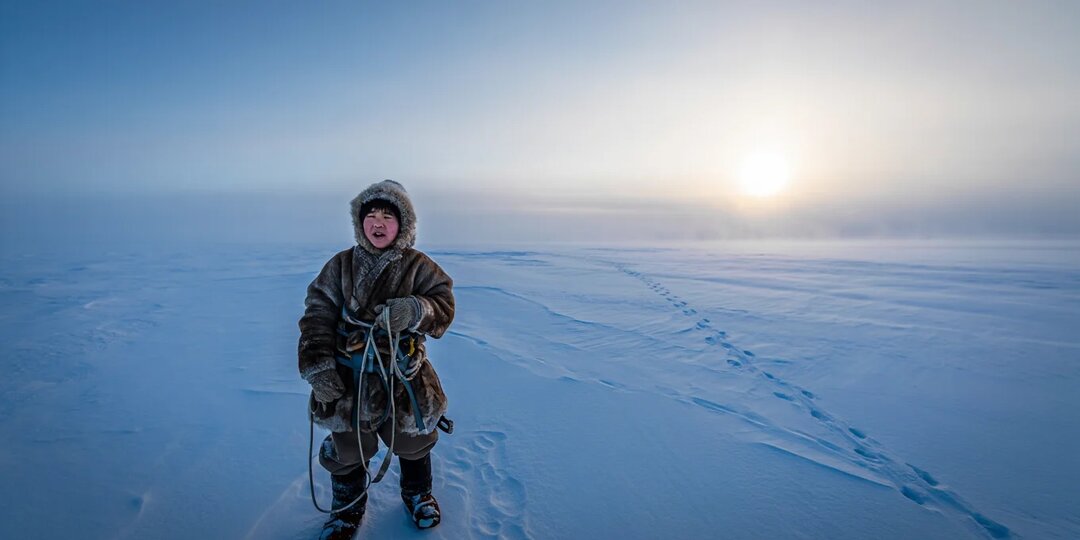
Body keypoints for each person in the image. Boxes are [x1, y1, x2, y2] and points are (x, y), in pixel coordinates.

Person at [298, 180, 455, 539]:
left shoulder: (419, 266)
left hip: (403, 376)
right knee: (347, 448)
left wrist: (418, 310)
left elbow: (444, 306)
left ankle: (417, 494)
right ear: (360, 222)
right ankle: (346, 512)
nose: (378, 222)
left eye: (388, 215)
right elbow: (316, 314)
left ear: (404, 225)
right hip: (347, 378)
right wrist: (318, 366)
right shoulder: (339, 266)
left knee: (414, 442)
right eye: (371, 215)